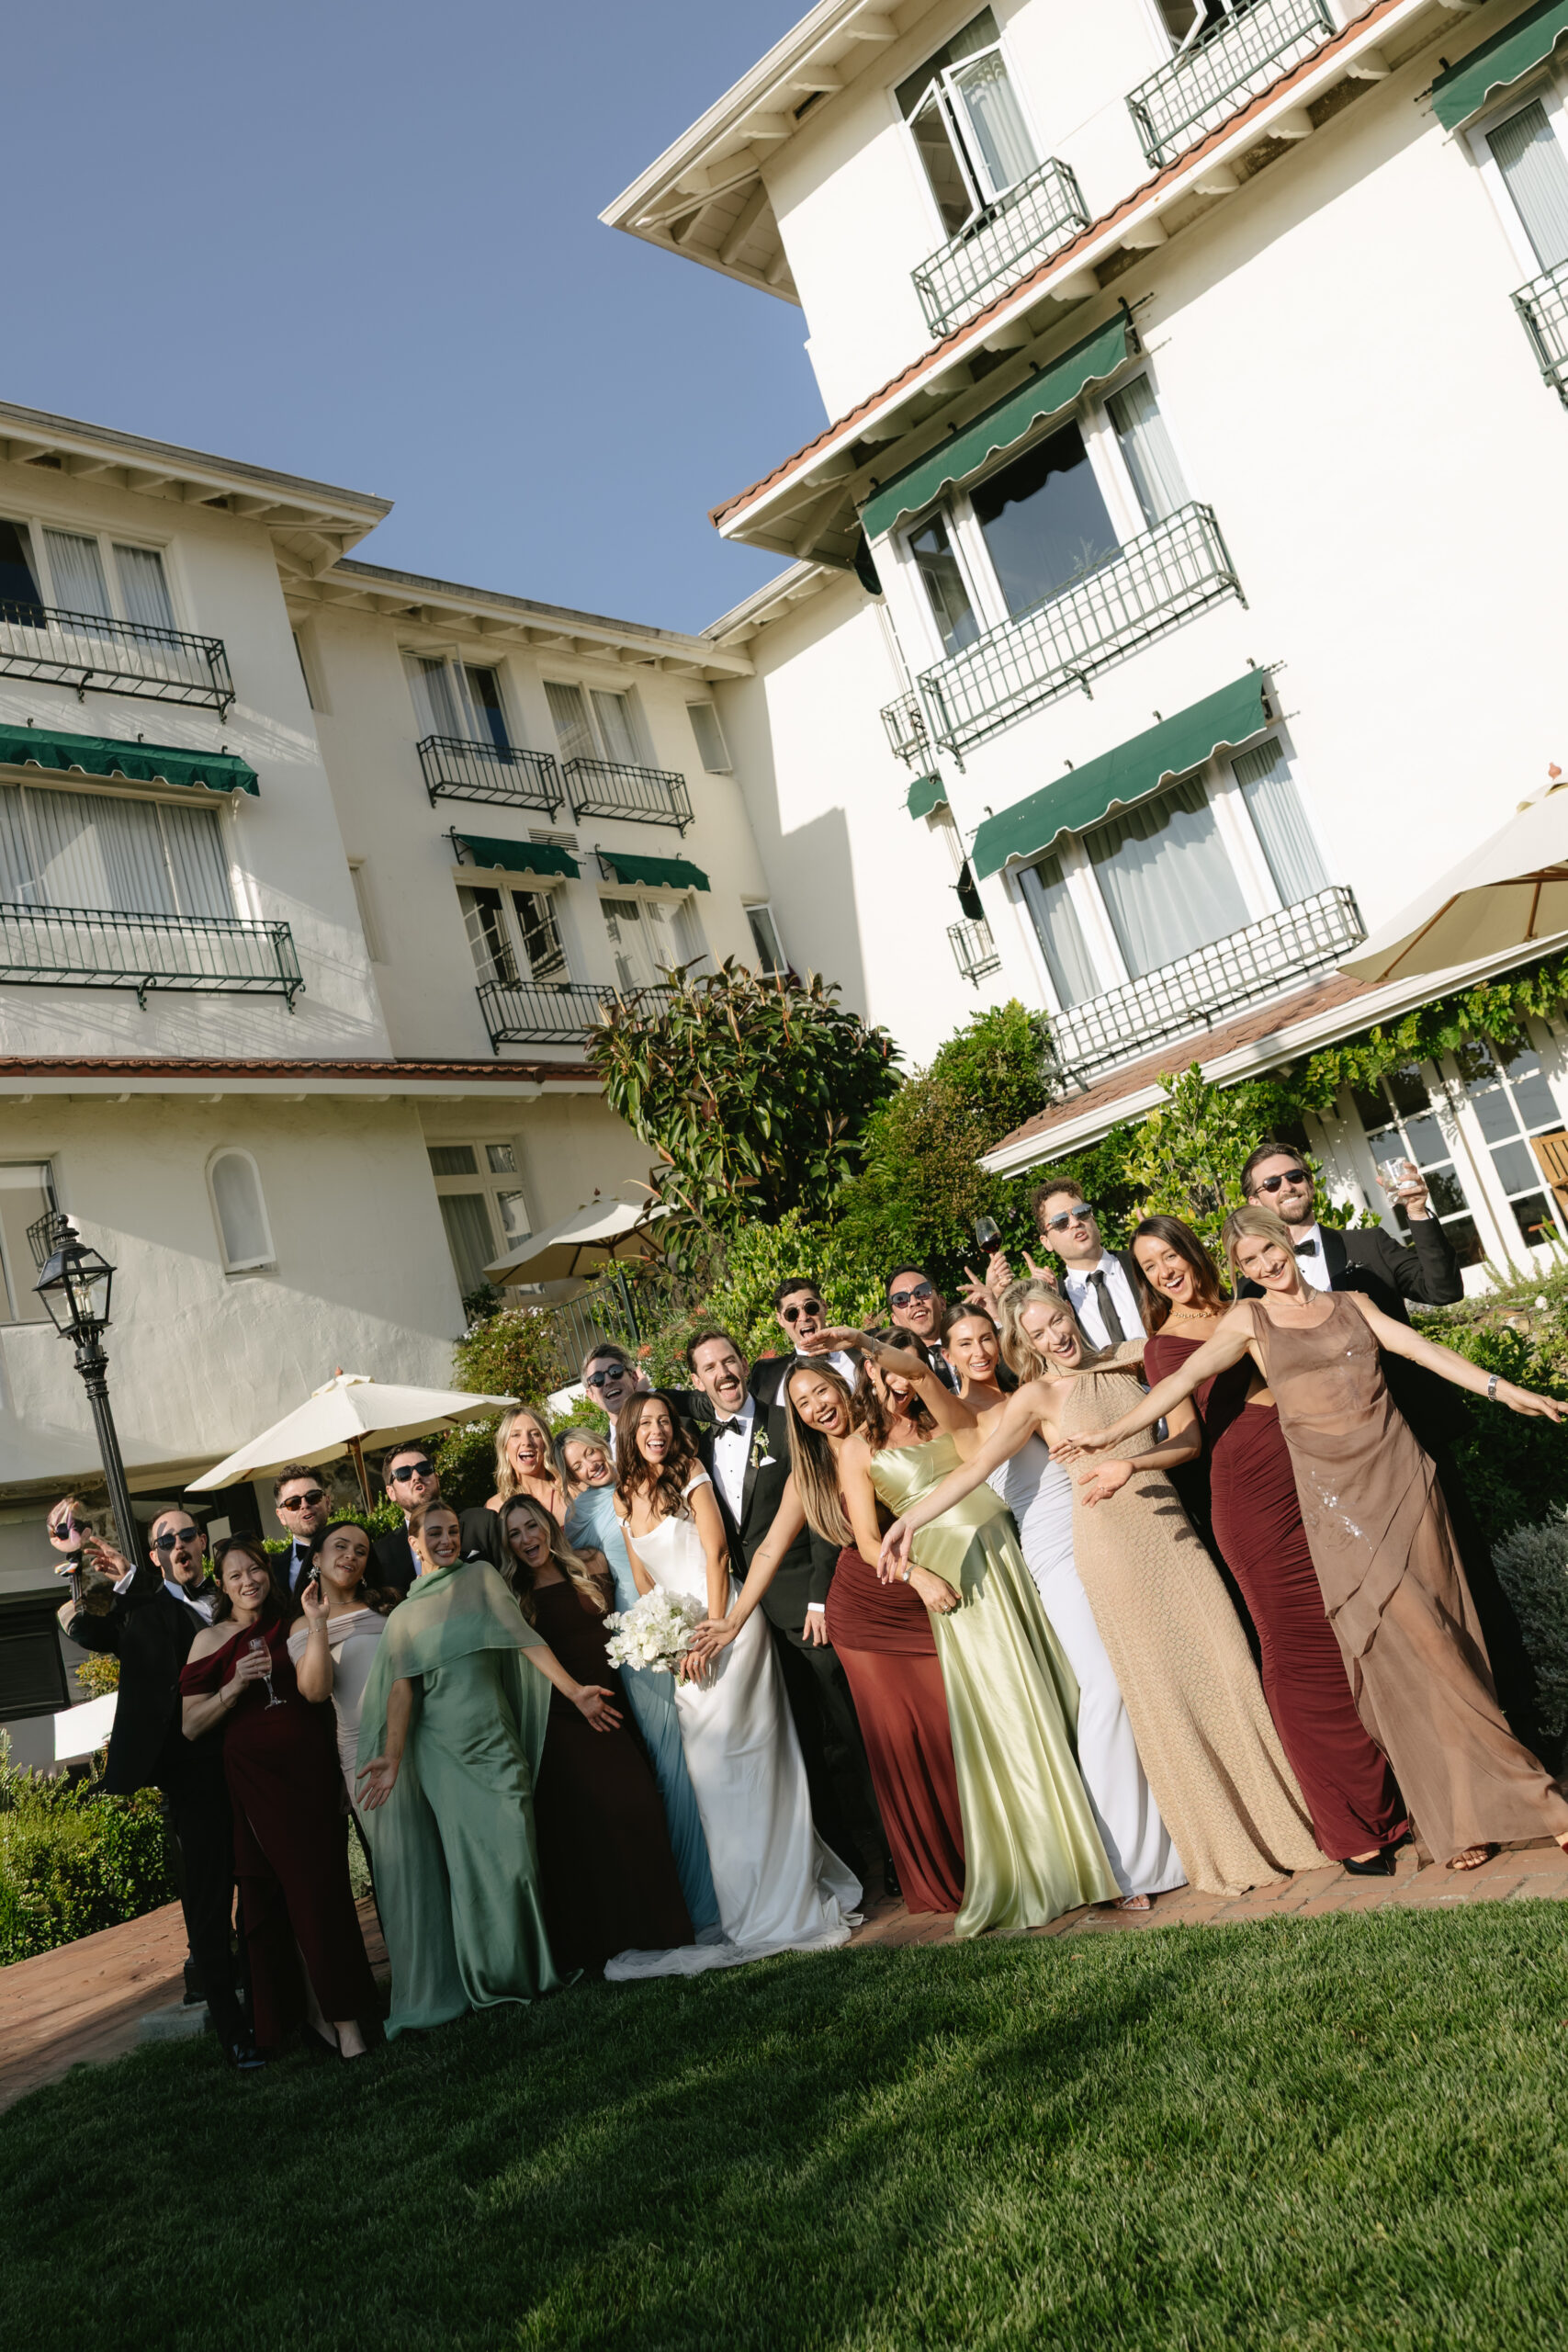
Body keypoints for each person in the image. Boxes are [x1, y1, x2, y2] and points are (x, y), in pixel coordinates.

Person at [1068, 1205, 1568, 1874]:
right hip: (1338, 1505)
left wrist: (1501, 1389)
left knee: (1451, 1640)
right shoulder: (1249, 1320)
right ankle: (1534, 1804)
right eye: (1248, 1261)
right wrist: (1109, 1438)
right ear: (1241, 1270)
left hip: (1404, 1484)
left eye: (1267, 1251)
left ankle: (1462, 1814)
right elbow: (1182, 1382)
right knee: (1412, 1648)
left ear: (1284, 1243)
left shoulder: (1351, 1303)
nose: (1264, 1265)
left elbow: (1420, 1349)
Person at [881, 1283, 1327, 1897]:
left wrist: (1132, 1464)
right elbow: (977, 1469)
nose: (1055, 1336)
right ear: (1026, 1343)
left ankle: (1284, 1824)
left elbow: (1188, 1440)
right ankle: (1212, 1844)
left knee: (1228, 1665)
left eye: (1057, 1320)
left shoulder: (1130, 1357)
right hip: (1108, 1549)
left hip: (1170, 1533)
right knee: (1161, 1694)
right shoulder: (1036, 1396)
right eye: (1038, 1332)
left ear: (1071, 1314)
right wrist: (907, 1521)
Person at [799, 1325, 1119, 1932]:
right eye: (884, 1368)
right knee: (1006, 1710)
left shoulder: (943, 1413)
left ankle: (1105, 1847)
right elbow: (868, 1540)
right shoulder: (856, 1447)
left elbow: (926, 1384)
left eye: (906, 1366)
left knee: (1060, 1692)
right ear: (869, 1372)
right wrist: (916, 1577)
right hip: (955, 1572)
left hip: (1006, 1553)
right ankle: (1051, 1864)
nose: (896, 1378)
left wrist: (892, 1360)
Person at [1239, 1139, 1545, 1759]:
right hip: (1342, 1475)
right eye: (1270, 1185)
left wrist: (1417, 1211)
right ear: (1253, 1203)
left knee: (1469, 1587)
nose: (1285, 1189)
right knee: (1395, 1613)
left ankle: (1523, 1734)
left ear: (1309, 1183)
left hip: (1415, 1443)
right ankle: (1444, 1753)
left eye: (1294, 1176)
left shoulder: (1365, 1247)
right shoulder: (1251, 1289)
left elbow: (1440, 1290)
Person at [1131, 1216, 1408, 1871]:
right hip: (1251, 1504)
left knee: (1357, 1638)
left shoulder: (1256, 1307)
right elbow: (1187, 1438)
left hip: (1319, 1484)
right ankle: (1347, 1828)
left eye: (1170, 1254)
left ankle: (1391, 1800)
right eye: (1149, 1267)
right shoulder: (1161, 1346)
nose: (1165, 1270)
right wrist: (1130, 1463)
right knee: (1296, 1654)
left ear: (1194, 1252)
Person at [603, 1390, 861, 1977]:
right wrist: (662, 1642)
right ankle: (745, 1910)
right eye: (646, 1423)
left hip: (730, 1633)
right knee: (714, 1781)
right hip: (682, 1651)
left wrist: (715, 1631)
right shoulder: (622, 1496)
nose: (658, 1431)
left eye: (665, 1421)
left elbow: (717, 1556)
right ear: (628, 1431)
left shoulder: (689, 1473)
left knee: (755, 1765)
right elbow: (644, 1583)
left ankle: (785, 1900)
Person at [941, 1307, 1183, 1906]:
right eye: (962, 1344)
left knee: (1139, 1674)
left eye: (985, 1338)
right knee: (1103, 1689)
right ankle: (1123, 1863)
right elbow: (970, 1466)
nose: (977, 1351)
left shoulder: (1038, 1386)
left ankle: (1176, 1833)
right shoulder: (964, 1408)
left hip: (1104, 1524)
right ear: (943, 1356)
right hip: (1053, 1546)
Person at [686, 1324, 889, 1891]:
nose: (723, 1374)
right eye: (710, 1368)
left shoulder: (789, 1423)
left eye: (729, 1361)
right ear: (696, 1381)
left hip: (809, 1606)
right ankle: (847, 1869)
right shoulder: (699, 1448)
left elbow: (826, 1512)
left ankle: (895, 1854)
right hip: (755, 1626)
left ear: (743, 1363)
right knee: (801, 1750)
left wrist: (823, 1596)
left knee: (853, 1734)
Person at [53, 1501, 255, 2067]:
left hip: (252, 1764)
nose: (181, 1547)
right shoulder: (139, 1610)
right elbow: (87, 1627)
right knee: (209, 1909)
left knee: (263, 1890)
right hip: (192, 1780)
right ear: (154, 1556)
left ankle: (272, 2005)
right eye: (167, 1542)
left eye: (189, 1536)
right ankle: (234, 2033)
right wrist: (77, 1564)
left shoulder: (232, 1597)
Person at [355, 1499, 561, 2036]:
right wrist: (394, 1756)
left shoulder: (482, 1578)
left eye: (451, 1531)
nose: (445, 1539)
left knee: (517, 1851)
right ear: (414, 1542)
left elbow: (525, 1639)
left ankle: (533, 1969)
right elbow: (402, 1690)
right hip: (442, 1754)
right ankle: (489, 1980)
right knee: (471, 1867)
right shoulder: (401, 1617)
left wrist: (574, 1690)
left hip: (495, 1738)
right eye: (434, 1533)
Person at [778, 1357, 965, 1916]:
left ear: (840, 1383)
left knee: (951, 1723)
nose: (816, 1407)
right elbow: (769, 1550)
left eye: (820, 1391)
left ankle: (989, 1854)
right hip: (863, 1609)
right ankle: (934, 1872)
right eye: (803, 1403)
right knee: (900, 1747)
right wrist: (733, 1621)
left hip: (919, 1595)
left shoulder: (886, 1427)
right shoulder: (807, 1473)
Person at [180, 1538, 374, 2061]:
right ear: (220, 1584)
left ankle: (325, 2014)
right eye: (236, 1574)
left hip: (310, 1770)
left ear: (268, 1573)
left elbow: (319, 1696)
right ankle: (341, 2020)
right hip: (256, 1780)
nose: (249, 1581)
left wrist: (338, 1772)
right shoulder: (209, 1641)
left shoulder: (292, 1624)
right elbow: (192, 1725)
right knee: (297, 1895)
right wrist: (234, 1686)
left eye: (256, 1570)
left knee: (323, 1892)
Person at [499, 1496, 694, 1973]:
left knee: (642, 1807)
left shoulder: (586, 1569)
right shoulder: (514, 1598)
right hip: (567, 1720)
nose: (527, 1540)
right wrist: (574, 1701)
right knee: (604, 1819)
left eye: (532, 1526)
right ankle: (609, 1939)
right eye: (515, 1535)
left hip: (616, 1706)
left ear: (548, 1525)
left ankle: (661, 1929)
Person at [558, 1427, 720, 1934]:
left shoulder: (643, 1479)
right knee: (672, 1760)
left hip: (689, 1612)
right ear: (570, 1477)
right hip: (640, 1639)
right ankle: (698, 1898)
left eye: (590, 1451)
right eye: (576, 1464)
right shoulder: (580, 1514)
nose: (588, 1464)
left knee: (713, 1743)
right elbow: (575, 1566)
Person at [287, 1523, 399, 1810]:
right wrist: (318, 1622)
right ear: (316, 1558)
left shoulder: (390, 1604)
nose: (351, 1555)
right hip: (365, 1752)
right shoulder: (303, 1623)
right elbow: (315, 1691)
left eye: (360, 1552)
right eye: (341, 1546)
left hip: (419, 1736)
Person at [987, 1180, 1147, 1351]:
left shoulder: (1141, 1263)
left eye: (1081, 1212)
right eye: (1061, 1221)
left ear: (1093, 1218)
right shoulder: (1055, 1299)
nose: (1075, 1222)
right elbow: (1021, 1365)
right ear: (1046, 1242)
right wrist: (996, 1309)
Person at [751, 1278, 859, 1398]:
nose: (803, 1317)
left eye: (810, 1307)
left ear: (824, 1306)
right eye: (792, 1313)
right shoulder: (766, 1376)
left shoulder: (861, 1350)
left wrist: (862, 1341)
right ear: (780, 1320)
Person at [370, 1443, 443, 1594]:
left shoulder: (480, 1524)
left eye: (424, 1468)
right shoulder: (379, 1555)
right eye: (404, 1474)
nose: (417, 1476)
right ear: (391, 1493)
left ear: (436, 1478)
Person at [885, 1269, 961, 1389]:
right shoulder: (898, 1372)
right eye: (901, 1299)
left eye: (923, 1291)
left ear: (942, 1303)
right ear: (895, 1320)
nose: (914, 1302)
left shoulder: (972, 1344)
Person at [273, 1466, 334, 1593]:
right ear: (281, 1516)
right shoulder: (272, 1570)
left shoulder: (357, 1550)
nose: (305, 1505)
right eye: (293, 1503)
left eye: (313, 1496)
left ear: (328, 1503)